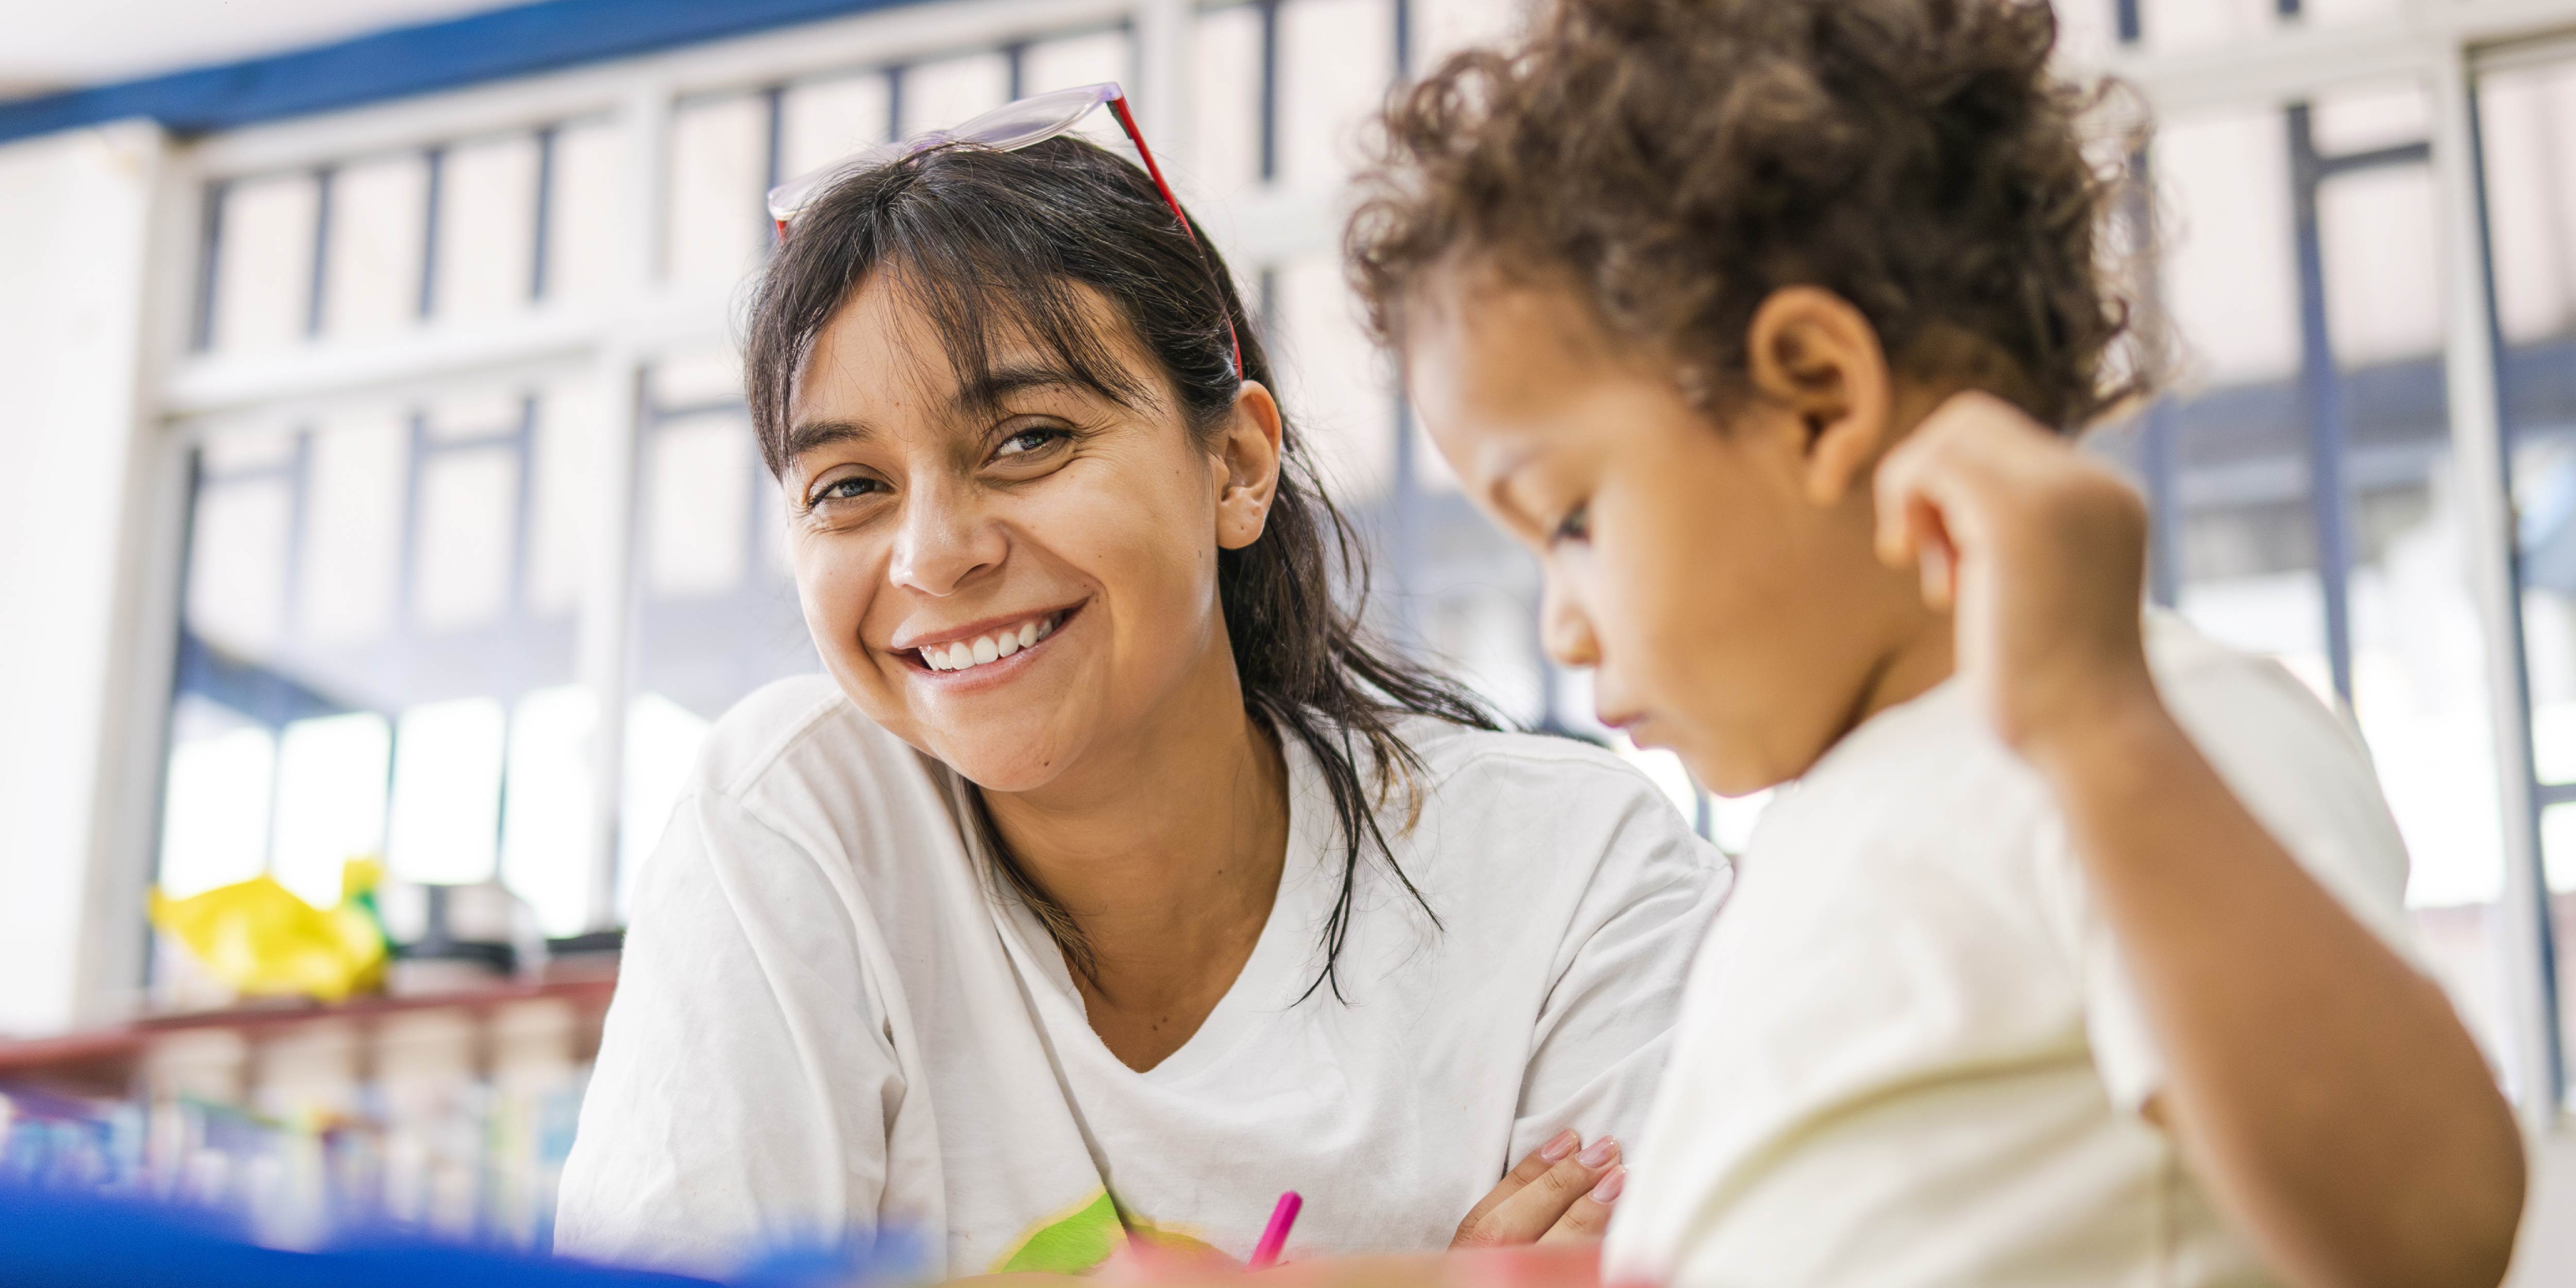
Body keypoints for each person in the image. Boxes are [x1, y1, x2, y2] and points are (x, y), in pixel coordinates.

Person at [1341, 1, 2528, 1285]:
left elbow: (2432, 1224)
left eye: (1569, 518)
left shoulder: (2148, 732)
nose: (1559, 622)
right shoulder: (1819, 833)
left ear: (1814, 396)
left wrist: (2099, 722)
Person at [551, 95, 1729, 1281]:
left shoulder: (1573, 875)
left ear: (1236, 465)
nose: (932, 553)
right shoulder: (795, 817)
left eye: (1027, 438)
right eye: (848, 485)